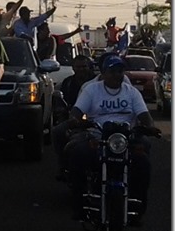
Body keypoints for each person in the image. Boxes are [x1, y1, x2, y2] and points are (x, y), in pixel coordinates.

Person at [65, 55, 160, 222]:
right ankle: (78, 204)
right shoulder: (92, 90)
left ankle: (138, 206)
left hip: (125, 140)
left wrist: (149, 126)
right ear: (103, 73)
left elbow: (144, 115)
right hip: (98, 137)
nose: (117, 75)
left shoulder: (132, 92)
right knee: (77, 154)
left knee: (143, 161)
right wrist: (76, 121)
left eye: (120, 71)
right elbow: (76, 112)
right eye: (113, 71)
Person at [52, 55, 96, 181]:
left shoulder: (96, 83)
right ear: (73, 68)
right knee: (58, 131)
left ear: (89, 67)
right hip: (74, 118)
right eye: (78, 67)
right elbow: (60, 102)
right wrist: (62, 113)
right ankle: (63, 164)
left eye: (84, 66)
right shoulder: (67, 83)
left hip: (93, 119)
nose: (81, 69)